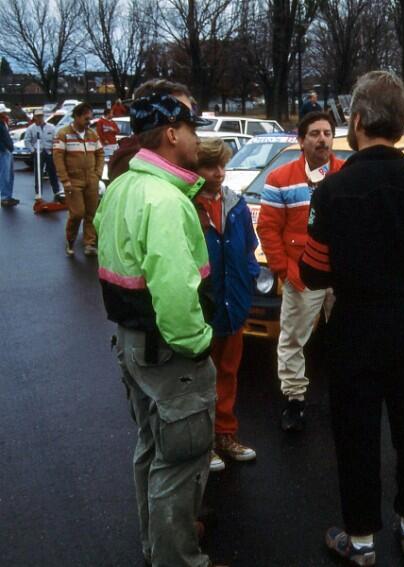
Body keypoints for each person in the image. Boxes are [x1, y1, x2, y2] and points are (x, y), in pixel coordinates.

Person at [299, 70, 404, 565]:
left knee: (356, 435)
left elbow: (312, 274)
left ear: (360, 119)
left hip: (354, 330)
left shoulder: (332, 192)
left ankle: (362, 540)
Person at [93, 87, 223, 567]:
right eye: (191, 129)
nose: (196, 139)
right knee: (180, 463)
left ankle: (156, 547)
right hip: (171, 357)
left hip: (134, 347)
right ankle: (178, 560)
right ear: (171, 133)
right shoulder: (164, 199)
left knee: (152, 448)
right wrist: (200, 343)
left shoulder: (124, 187)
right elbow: (174, 294)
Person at [256, 111, 345, 432]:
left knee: (346, 340)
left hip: (340, 278)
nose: (322, 139)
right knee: (292, 340)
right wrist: (284, 270)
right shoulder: (279, 179)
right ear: (301, 140)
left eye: (327, 133)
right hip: (301, 276)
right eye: (315, 133)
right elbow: (268, 230)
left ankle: (345, 399)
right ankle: (294, 401)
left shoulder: (346, 175)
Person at [193, 138, 260, 472]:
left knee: (229, 373)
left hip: (234, 303)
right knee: (200, 379)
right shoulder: (186, 205)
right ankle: (202, 445)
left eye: (222, 166)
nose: (218, 173)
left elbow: (249, 249)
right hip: (201, 309)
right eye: (209, 167)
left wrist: (247, 284)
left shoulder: (236, 204)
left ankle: (225, 435)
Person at [54, 102, 104, 256]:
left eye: (90, 118)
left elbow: (100, 153)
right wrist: (65, 180)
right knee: (77, 214)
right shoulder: (63, 134)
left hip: (91, 180)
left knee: (91, 213)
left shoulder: (93, 135)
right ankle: (70, 240)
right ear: (76, 116)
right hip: (73, 181)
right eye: (86, 118)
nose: (89, 121)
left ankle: (89, 244)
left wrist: (98, 173)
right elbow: (57, 158)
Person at [24, 108, 62, 201]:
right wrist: (32, 150)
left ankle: (56, 191)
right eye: (38, 116)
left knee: (52, 172)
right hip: (38, 152)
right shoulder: (31, 128)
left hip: (49, 152)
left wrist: (55, 149)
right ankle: (38, 193)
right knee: (38, 173)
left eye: (41, 116)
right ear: (34, 117)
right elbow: (27, 141)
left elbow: (56, 139)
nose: (40, 118)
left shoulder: (51, 127)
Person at [0, 103, 17, 208]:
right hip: (4, 152)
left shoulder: (3, 122)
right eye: (4, 112)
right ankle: (5, 197)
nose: (6, 113)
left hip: (7, 151)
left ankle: (8, 196)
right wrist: (4, 149)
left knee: (10, 175)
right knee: (5, 175)